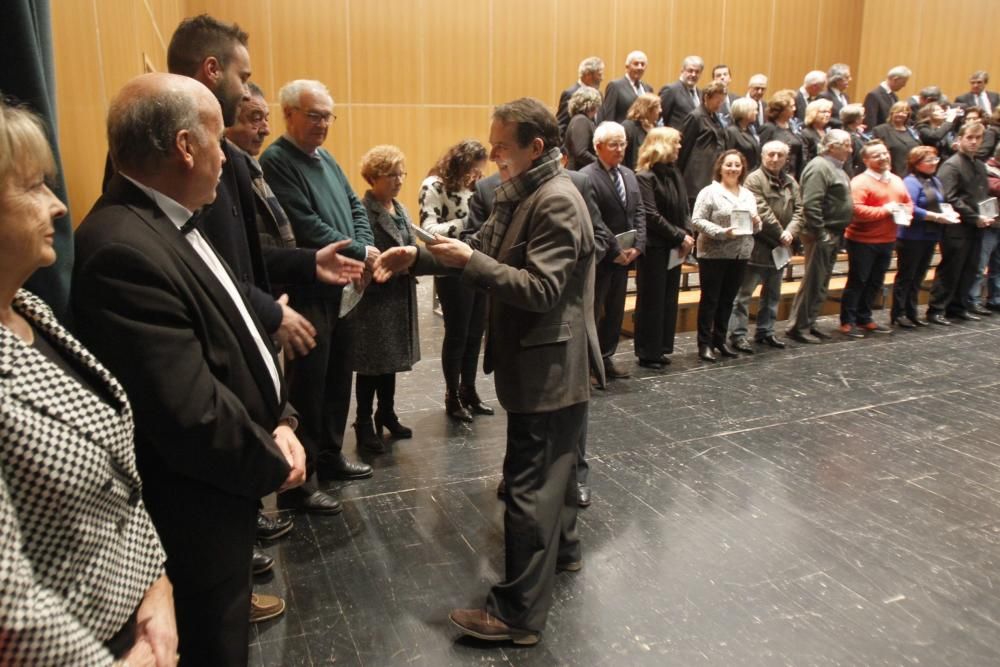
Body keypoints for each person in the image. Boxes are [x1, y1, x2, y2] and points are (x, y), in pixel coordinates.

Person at [73, 73, 307, 666]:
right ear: (183, 146)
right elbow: (189, 412)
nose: (226, 155)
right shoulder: (121, 249)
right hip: (194, 515)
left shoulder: (174, 218)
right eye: (215, 139)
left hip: (227, 488)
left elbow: (238, 339)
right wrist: (272, 457)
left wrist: (281, 416)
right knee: (214, 647)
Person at [373, 97, 602, 646]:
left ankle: (517, 617)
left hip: (547, 367)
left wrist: (469, 262)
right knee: (557, 472)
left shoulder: (556, 200)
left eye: (502, 145)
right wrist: (418, 257)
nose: (492, 152)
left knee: (528, 485)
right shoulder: (520, 192)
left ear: (536, 148)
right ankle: (563, 552)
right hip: (542, 365)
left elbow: (541, 290)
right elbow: (476, 249)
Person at [0, 95, 176, 667]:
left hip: (136, 624)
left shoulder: (30, 310)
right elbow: (10, 610)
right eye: (31, 187)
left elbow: (117, 481)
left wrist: (156, 586)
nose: (56, 206)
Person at [260, 79, 378, 490]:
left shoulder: (325, 157)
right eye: (314, 115)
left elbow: (353, 206)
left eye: (328, 115)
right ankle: (303, 478)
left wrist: (363, 247)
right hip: (310, 287)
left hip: (342, 286)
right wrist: (362, 253)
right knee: (309, 386)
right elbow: (307, 225)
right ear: (289, 114)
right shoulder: (276, 160)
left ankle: (330, 455)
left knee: (337, 377)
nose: (323, 123)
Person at [417, 139, 493, 421]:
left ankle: (469, 390)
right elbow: (427, 230)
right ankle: (452, 396)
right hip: (450, 268)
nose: (477, 174)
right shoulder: (434, 185)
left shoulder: (476, 187)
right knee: (458, 333)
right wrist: (467, 224)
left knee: (476, 332)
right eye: (473, 169)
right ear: (460, 162)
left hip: (477, 263)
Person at [350, 146, 420, 451]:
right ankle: (363, 423)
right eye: (392, 174)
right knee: (370, 366)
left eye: (401, 173)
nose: (399, 180)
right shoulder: (364, 210)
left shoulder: (399, 207)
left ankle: (386, 413)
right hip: (375, 299)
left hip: (397, 296)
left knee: (389, 362)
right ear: (373, 177)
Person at [580, 122, 646, 379]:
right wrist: (615, 249)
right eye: (614, 144)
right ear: (598, 147)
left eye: (623, 144)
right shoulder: (586, 177)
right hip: (601, 257)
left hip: (625, 258)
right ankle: (588, 364)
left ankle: (606, 358)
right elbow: (594, 220)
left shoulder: (629, 174)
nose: (620, 149)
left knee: (616, 311)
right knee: (595, 312)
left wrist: (638, 247)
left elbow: (639, 211)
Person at [729, 140, 802, 352]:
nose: (775, 158)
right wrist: (782, 234)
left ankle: (766, 331)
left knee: (772, 294)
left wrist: (791, 232)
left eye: (780, 155)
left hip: (781, 249)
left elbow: (800, 210)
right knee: (743, 295)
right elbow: (761, 211)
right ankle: (738, 335)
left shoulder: (790, 181)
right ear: (762, 156)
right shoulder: (753, 180)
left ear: (786, 158)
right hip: (758, 246)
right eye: (771, 154)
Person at [784, 130, 855, 343]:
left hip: (833, 233)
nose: (851, 150)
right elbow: (811, 204)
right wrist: (821, 232)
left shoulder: (836, 168)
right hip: (820, 234)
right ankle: (798, 326)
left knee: (821, 282)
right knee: (814, 281)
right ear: (832, 147)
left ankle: (809, 322)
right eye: (847, 145)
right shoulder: (819, 167)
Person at [691, 149, 761, 361]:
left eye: (737, 165)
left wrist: (757, 223)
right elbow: (697, 220)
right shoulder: (709, 192)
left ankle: (719, 340)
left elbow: (754, 227)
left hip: (740, 254)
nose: (733, 169)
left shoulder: (748, 194)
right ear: (720, 167)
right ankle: (704, 344)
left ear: (742, 169)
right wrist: (721, 232)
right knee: (710, 300)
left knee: (728, 300)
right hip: (714, 253)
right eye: (728, 164)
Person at [839, 140, 913, 338]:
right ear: (865, 160)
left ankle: (865, 317)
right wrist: (884, 210)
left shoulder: (896, 180)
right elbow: (856, 209)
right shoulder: (860, 182)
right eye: (876, 155)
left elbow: (908, 202)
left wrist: (907, 213)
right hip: (863, 240)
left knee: (875, 281)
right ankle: (848, 321)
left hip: (887, 239)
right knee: (858, 281)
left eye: (884, 153)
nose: (883, 158)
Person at [634, 127, 694, 368]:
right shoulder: (645, 177)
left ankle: (660, 348)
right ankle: (647, 352)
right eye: (676, 143)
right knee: (652, 300)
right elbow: (651, 215)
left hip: (674, 246)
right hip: (656, 247)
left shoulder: (674, 172)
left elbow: (684, 207)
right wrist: (680, 236)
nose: (680, 147)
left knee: (668, 298)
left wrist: (687, 234)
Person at [926, 122, 995, 324]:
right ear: (960, 139)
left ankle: (958, 307)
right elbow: (949, 197)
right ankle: (936, 309)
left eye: (978, 138)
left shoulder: (980, 165)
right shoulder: (952, 165)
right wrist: (975, 217)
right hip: (956, 227)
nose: (974, 142)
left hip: (977, 225)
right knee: (951, 268)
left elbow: (982, 196)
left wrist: (985, 215)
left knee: (970, 268)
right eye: (969, 138)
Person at [894, 146, 949, 327]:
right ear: (916, 163)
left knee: (919, 276)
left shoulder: (935, 180)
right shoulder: (910, 182)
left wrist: (948, 213)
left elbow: (942, 202)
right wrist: (933, 216)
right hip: (912, 236)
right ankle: (899, 313)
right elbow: (910, 207)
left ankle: (911, 311)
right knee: (907, 276)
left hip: (930, 234)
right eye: (929, 160)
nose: (934, 163)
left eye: (935, 159)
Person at [678, 80, 727, 207]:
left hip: (711, 173)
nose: (720, 104)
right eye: (717, 100)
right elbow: (684, 147)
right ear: (706, 97)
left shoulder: (714, 117)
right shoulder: (695, 116)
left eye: (722, 101)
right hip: (696, 177)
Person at [974, 143, 1000, 312]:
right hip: (989, 223)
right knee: (979, 265)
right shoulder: (987, 168)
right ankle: (972, 299)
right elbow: (993, 187)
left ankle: (996, 299)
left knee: (998, 265)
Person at [759, 89, 804, 179]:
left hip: (793, 175)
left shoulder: (791, 126)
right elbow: (761, 154)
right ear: (782, 109)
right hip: (773, 176)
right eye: (791, 106)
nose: (794, 109)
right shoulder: (769, 128)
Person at [556, 56, 604, 139]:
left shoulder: (599, 94)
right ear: (588, 74)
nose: (602, 78)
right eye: (599, 74)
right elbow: (561, 126)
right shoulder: (570, 94)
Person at [599, 50, 652, 123]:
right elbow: (609, 115)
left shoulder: (648, 88)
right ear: (627, 66)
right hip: (623, 131)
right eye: (636, 64)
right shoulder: (615, 86)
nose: (640, 67)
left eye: (643, 64)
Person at [872, 101, 920, 177]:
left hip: (912, 174)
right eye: (898, 111)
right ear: (892, 113)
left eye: (904, 112)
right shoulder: (880, 130)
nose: (901, 114)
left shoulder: (912, 132)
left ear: (908, 115)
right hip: (892, 173)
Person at [660, 55, 704, 129]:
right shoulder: (671, 90)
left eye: (697, 72)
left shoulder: (701, 93)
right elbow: (660, 117)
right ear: (682, 71)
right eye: (690, 71)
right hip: (675, 138)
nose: (693, 75)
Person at [563, 86, 602, 170]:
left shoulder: (580, 119)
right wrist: (602, 164)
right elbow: (581, 153)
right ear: (592, 105)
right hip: (579, 172)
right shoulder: (581, 121)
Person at [621, 92, 661, 171]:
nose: (660, 110)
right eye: (657, 107)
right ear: (647, 109)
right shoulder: (628, 127)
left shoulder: (656, 127)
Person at [725, 97, 762, 171]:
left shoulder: (749, 130)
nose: (756, 113)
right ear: (745, 111)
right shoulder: (732, 132)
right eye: (754, 110)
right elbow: (728, 156)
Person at [800, 98, 834, 164]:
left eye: (829, 112)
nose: (827, 115)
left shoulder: (828, 132)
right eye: (824, 112)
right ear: (813, 113)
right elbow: (804, 158)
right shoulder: (806, 133)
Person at [840, 103, 870, 178]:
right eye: (862, 116)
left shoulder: (858, 133)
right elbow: (847, 163)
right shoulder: (847, 137)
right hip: (854, 175)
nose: (864, 117)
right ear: (857, 120)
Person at [820, 63, 851, 128]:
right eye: (847, 78)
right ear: (837, 80)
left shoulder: (846, 96)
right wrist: (844, 124)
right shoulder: (824, 96)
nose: (850, 79)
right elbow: (821, 117)